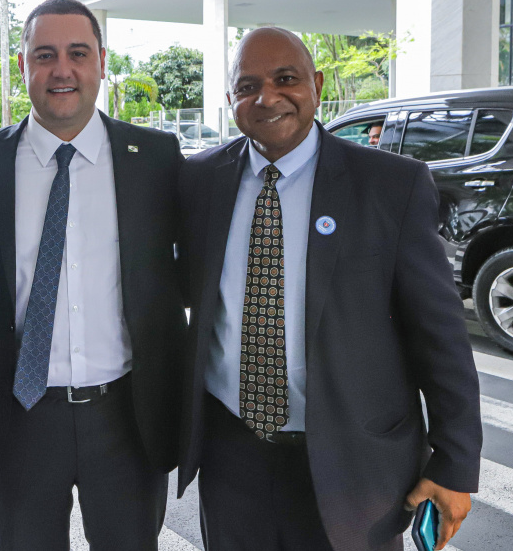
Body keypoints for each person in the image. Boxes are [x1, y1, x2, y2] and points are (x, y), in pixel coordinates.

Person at [176, 27, 482, 551]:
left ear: (316, 84)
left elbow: (441, 336)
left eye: (285, 79)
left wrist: (455, 462)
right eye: (247, 86)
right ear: (231, 100)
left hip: (354, 465)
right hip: (232, 458)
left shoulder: (391, 185)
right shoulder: (199, 180)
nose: (266, 97)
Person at [0, 0, 185, 549]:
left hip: (128, 414)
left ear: (102, 62)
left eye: (78, 53)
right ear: (25, 64)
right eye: (45, 54)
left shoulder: (155, 157)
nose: (62, 70)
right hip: (20, 415)